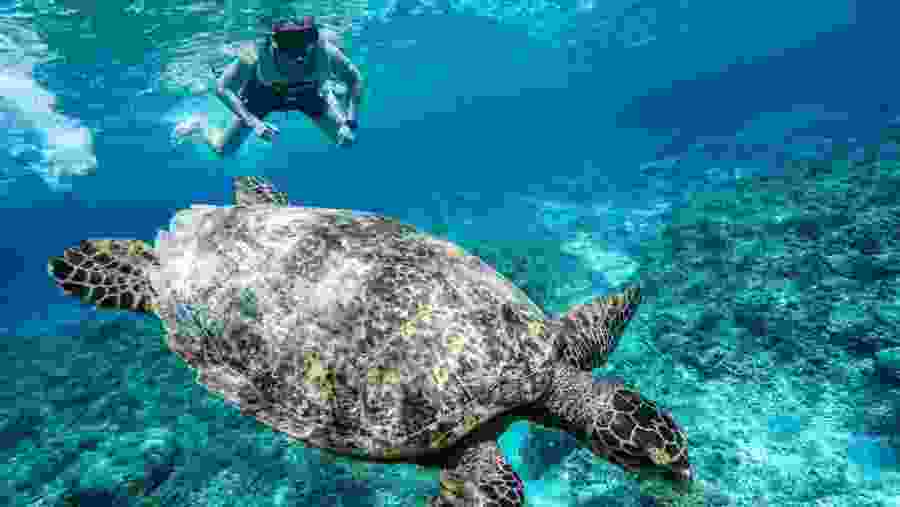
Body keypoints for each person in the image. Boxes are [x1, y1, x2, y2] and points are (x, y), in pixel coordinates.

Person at [175, 16, 364, 155]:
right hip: (263, 96)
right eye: (289, 45)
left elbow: (354, 79)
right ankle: (200, 126)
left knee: (346, 140)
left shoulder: (325, 51)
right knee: (223, 151)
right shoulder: (255, 52)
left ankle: (331, 94)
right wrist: (253, 122)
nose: (298, 56)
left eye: (304, 43)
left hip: (307, 95)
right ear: (274, 42)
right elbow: (222, 88)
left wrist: (350, 122)